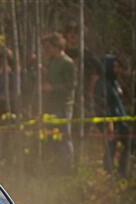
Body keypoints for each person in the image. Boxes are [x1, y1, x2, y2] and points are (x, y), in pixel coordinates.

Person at [41, 32, 76, 171]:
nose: (47, 50)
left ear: (57, 46)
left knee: (64, 137)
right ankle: (56, 166)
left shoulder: (68, 63)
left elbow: (71, 85)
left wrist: (52, 88)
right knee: (52, 137)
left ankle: (68, 167)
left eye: (49, 47)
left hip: (63, 106)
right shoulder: (52, 62)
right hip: (50, 105)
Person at [95, 54, 129, 176]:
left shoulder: (115, 82)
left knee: (129, 143)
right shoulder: (102, 84)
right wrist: (108, 122)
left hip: (120, 119)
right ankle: (108, 173)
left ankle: (122, 172)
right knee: (111, 147)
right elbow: (101, 104)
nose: (117, 69)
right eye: (114, 67)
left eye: (118, 67)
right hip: (110, 121)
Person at [64, 21, 103, 120]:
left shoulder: (87, 54)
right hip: (64, 91)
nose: (72, 35)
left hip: (83, 90)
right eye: (70, 32)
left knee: (86, 116)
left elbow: (97, 72)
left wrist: (90, 90)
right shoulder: (61, 52)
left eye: (76, 32)